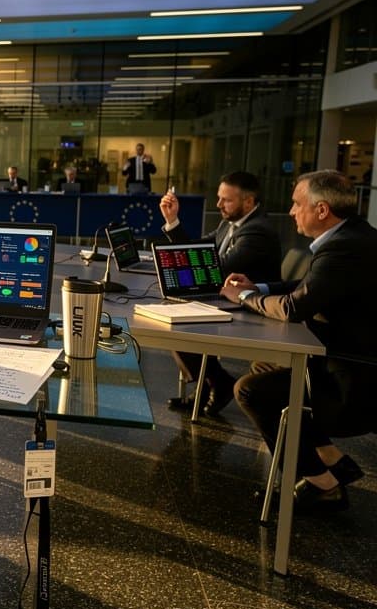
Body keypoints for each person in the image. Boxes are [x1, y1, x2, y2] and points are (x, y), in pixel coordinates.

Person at [219, 170, 377, 513]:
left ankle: (323, 486)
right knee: (264, 366)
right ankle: (330, 458)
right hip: (345, 360)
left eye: (296, 204)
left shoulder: (344, 248)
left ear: (321, 210)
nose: (291, 212)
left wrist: (244, 296)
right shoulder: (353, 235)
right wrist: (258, 288)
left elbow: (294, 307)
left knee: (250, 390)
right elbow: (307, 287)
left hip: (353, 380)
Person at [159, 171, 282, 415]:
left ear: (248, 201)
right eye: (219, 198)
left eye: (226, 200)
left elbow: (217, 269)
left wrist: (183, 265)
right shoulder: (230, 223)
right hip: (228, 301)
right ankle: (209, 385)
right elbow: (198, 251)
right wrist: (172, 221)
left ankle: (216, 382)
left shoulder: (258, 231)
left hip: (253, 311)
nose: (218, 205)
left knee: (180, 323)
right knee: (176, 316)